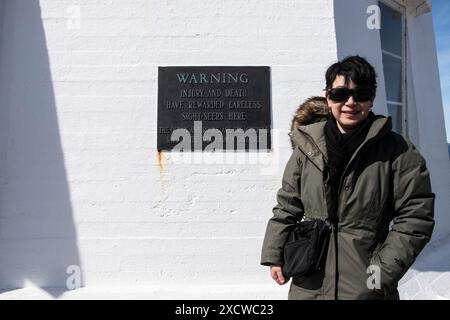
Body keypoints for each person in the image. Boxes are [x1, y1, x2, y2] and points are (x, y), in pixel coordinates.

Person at [261, 55, 435, 300]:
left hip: (365, 287)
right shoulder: (307, 147)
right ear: (328, 96)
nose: (350, 102)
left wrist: (381, 273)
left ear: (372, 97)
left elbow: (416, 218)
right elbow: (287, 205)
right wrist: (275, 254)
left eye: (361, 94)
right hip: (309, 282)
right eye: (341, 94)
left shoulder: (398, 150)